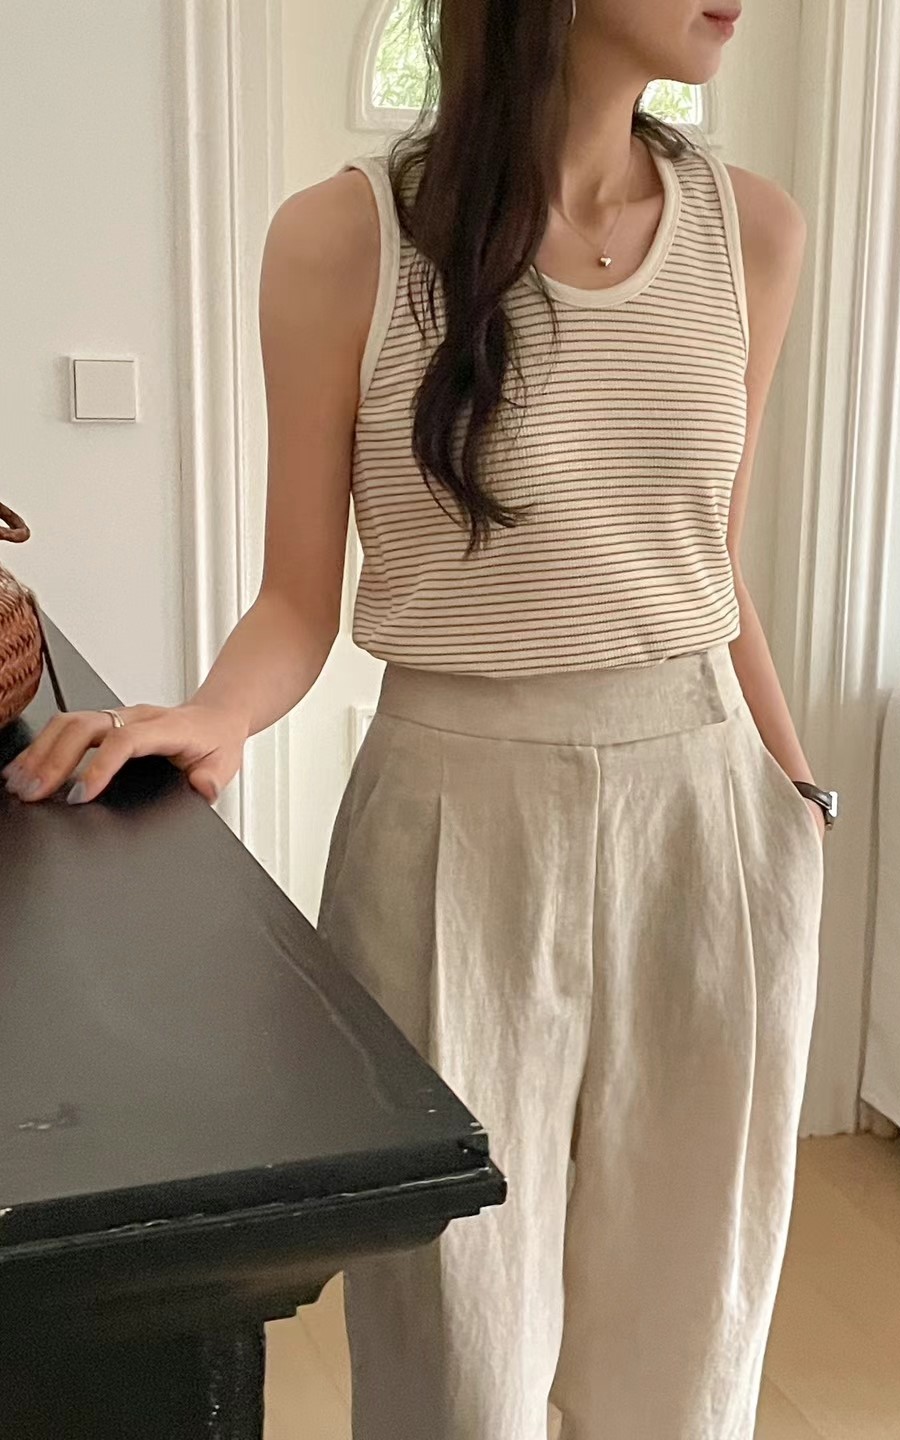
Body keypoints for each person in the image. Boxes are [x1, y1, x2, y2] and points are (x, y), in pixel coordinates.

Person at [2, 0, 839, 1434]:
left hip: (712, 819)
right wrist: (211, 715)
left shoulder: (753, 232)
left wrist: (795, 800)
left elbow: (713, 559)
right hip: (456, 821)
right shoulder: (347, 241)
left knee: (691, 1356)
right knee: (461, 1368)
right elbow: (297, 598)